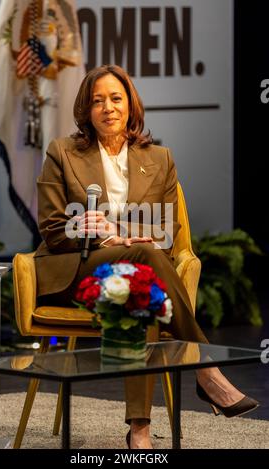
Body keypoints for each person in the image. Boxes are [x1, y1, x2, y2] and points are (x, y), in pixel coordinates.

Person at [35, 64, 259, 449]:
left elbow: (166, 233)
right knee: (138, 261)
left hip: (135, 271)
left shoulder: (159, 158)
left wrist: (126, 238)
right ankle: (206, 371)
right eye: (97, 101)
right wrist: (92, 231)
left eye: (116, 98)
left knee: (137, 290)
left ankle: (139, 431)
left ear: (130, 104)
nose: (108, 107)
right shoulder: (62, 153)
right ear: (86, 111)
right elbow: (53, 230)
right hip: (76, 268)